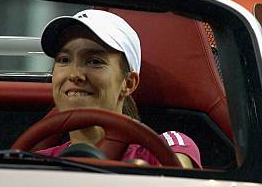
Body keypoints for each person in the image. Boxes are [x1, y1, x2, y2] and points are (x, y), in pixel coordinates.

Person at [36, 9, 202, 168]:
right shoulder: (36, 161)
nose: (74, 74)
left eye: (94, 61)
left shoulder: (165, 149)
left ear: (128, 83)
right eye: (64, 60)